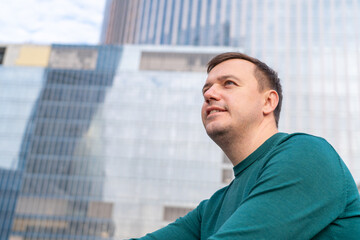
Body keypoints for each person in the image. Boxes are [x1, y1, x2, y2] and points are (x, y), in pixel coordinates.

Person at [132, 52, 360, 239]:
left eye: (228, 84)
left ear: (268, 101)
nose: (209, 94)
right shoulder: (212, 209)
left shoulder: (306, 154)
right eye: (206, 89)